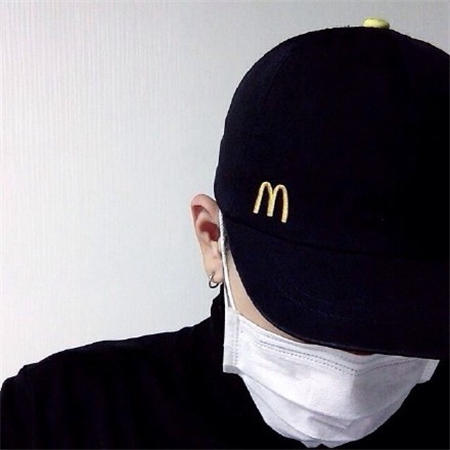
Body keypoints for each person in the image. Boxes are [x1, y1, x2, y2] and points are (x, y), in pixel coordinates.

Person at [1, 18, 448, 449]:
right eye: (313, 311)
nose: (353, 366)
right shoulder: (57, 417)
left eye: (404, 316)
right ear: (212, 239)